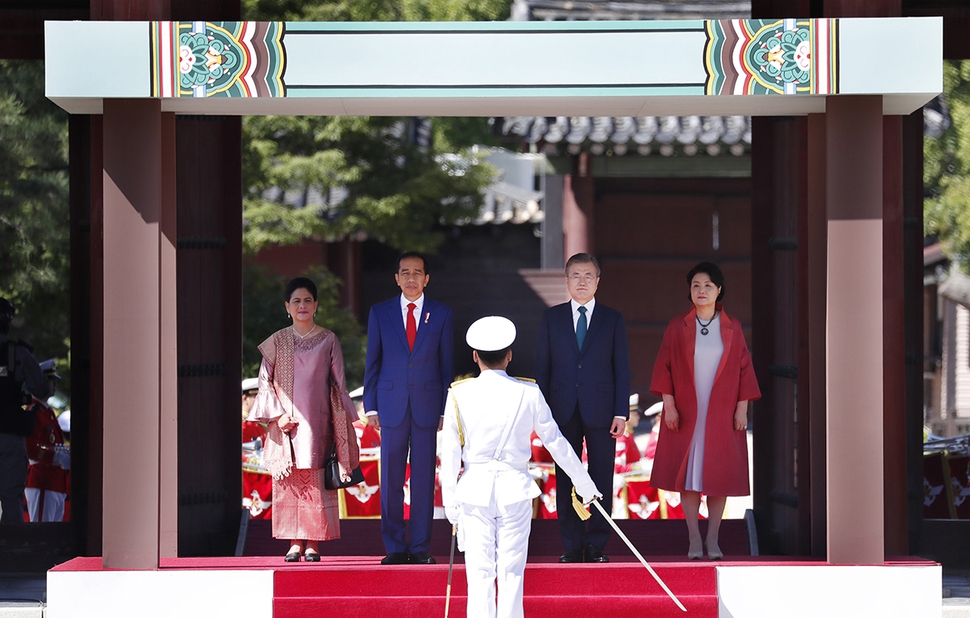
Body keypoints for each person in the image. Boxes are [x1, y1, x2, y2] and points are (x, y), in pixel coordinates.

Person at [441, 316, 601, 618]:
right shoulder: (529, 392)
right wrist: (585, 485)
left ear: (475, 357)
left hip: (474, 490)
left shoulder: (458, 394)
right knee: (512, 570)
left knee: (479, 572)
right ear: (509, 355)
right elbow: (556, 443)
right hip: (515, 488)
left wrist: (451, 504)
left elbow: (448, 454)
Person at [649, 262, 761, 560]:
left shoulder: (732, 327)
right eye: (696, 285)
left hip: (722, 412)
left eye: (708, 285)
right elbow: (664, 367)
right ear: (689, 290)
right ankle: (693, 538)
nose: (701, 291)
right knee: (690, 475)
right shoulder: (677, 326)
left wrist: (742, 408)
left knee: (718, 474)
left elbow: (744, 369)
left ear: (719, 290)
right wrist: (669, 405)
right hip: (685, 411)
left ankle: (713, 538)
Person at [248, 277, 360, 562]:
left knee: (314, 480)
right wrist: (278, 416)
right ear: (287, 306)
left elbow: (339, 385)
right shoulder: (277, 341)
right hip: (285, 424)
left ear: (316, 305)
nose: (302, 306)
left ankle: (313, 543)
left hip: (319, 423)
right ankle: (293, 542)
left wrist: (346, 423)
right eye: (296, 301)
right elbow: (264, 382)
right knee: (290, 481)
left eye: (307, 300)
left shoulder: (328, 340)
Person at [535, 253, 630, 563]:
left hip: (603, 410)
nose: (582, 282)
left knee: (602, 475)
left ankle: (596, 544)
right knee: (566, 476)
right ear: (566, 280)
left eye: (588, 276)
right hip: (561, 409)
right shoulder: (551, 318)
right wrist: (542, 413)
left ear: (597, 281)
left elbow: (622, 367)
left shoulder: (612, 318)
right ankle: (572, 545)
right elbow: (543, 368)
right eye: (575, 276)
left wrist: (621, 411)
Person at [364, 252, 454, 565]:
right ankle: (394, 546)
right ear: (397, 278)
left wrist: (445, 409)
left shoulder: (441, 314)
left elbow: (446, 366)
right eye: (405, 272)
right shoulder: (380, 312)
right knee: (390, 478)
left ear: (427, 278)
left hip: (428, 406)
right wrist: (371, 404)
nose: (412, 278)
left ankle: (419, 547)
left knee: (423, 477)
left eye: (418, 272)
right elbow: (372, 361)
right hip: (390, 405)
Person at [0, 298, 52, 524]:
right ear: (8, 323)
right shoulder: (18, 354)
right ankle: (11, 554)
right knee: (11, 499)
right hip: (10, 434)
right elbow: (40, 388)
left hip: (11, 432)